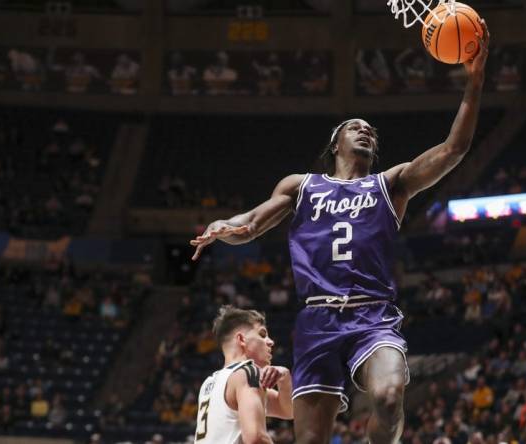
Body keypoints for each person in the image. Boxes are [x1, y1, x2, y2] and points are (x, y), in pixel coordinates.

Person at [190, 21, 490, 444]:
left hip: (374, 315)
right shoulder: (302, 186)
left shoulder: (391, 184)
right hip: (317, 319)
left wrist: (474, 81)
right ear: (336, 143)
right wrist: (224, 227)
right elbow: (253, 223)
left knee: (388, 395)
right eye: (355, 126)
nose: (365, 130)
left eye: (371, 130)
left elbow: (452, 149)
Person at [194, 306, 293, 444]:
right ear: (241, 339)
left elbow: (287, 410)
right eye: (262, 334)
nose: (271, 342)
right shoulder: (248, 372)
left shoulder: (210, 382)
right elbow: (255, 438)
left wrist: (284, 378)